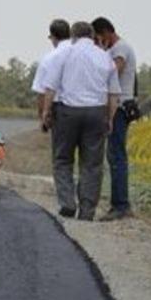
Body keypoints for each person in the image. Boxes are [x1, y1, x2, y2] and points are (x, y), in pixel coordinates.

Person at [42, 21, 121, 220]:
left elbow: (50, 87)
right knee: (92, 164)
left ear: (74, 37)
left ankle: (67, 203)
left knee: (62, 159)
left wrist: (46, 112)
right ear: (92, 36)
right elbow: (113, 94)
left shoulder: (64, 54)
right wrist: (110, 118)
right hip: (96, 112)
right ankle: (87, 211)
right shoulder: (105, 57)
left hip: (68, 112)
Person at [92, 17, 137, 220]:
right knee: (113, 155)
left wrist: (100, 53)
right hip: (115, 105)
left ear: (107, 33)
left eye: (99, 37)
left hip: (119, 107)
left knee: (117, 156)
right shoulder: (114, 49)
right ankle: (118, 203)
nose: (98, 41)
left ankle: (121, 205)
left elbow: (111, 73)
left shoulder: (120, 49)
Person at [31, 19, 72, 132]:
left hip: (61, 109)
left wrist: (43, 117)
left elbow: (42, 92)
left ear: (53, 37)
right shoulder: (81, 54)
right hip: (88, 108)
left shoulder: (49, 58)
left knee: (62, 148)